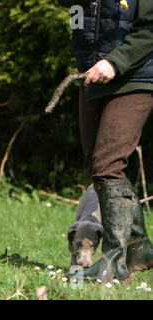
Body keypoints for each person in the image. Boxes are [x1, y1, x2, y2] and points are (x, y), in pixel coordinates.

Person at [58, 0, 153, 281]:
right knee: (97, 168)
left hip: (135, 76)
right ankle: (140, 248)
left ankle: (114, 264)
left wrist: (116, 61)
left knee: (107, 165)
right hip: (92, 75)